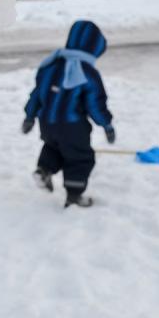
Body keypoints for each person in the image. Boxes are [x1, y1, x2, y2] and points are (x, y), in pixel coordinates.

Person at [22, 20, 114, 208]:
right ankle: (74, 196)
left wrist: (30, 116)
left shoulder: (51, 65)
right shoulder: (88, 73)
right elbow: (95, 104)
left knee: (53, 147)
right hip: (73, 127)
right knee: (80, 157)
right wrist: (106, 124)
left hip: (47, 123)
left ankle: (44, 170)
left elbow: (37, 94)